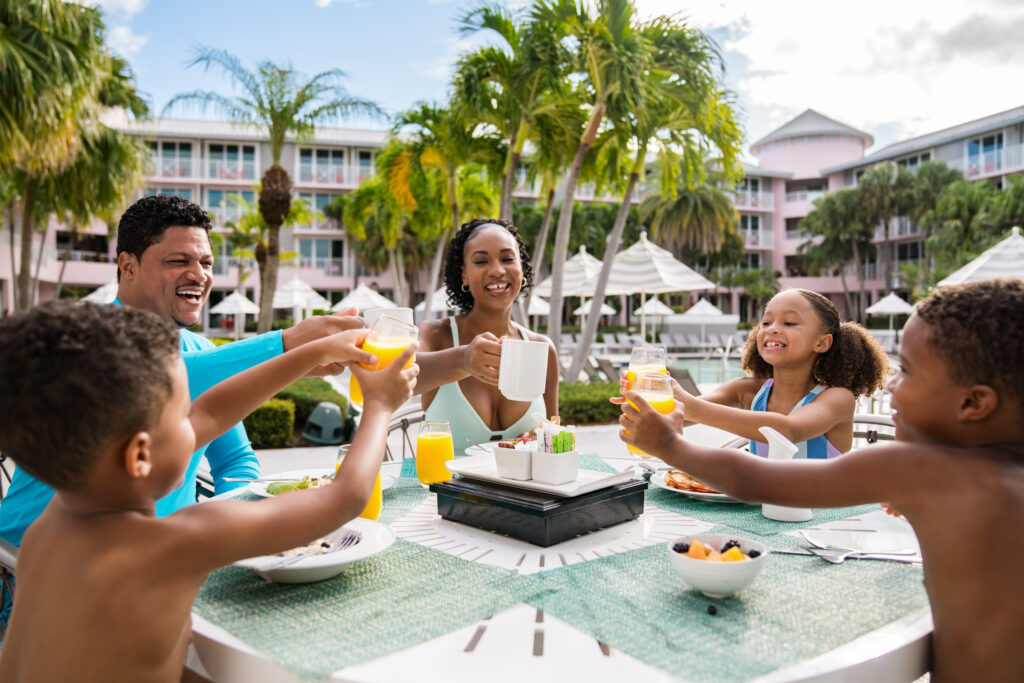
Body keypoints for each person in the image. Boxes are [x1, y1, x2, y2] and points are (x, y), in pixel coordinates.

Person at [618, 279, 1024, 681]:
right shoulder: (974, 482)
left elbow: (753, 477)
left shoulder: (922, 470)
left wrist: (670, 446)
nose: (893, 383)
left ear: (973, 402)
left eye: (908, 371)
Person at [0, 301, 417, 683]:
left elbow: (212, 411)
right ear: (139, 455)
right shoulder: (168, 545)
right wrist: (379, 407)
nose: (195, 419)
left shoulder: (48, 529)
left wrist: (312, 353)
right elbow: (344, 497)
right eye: (184, 414)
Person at [0, 194, 362, 549]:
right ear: (128, 266)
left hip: (164, 558)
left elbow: (235, 459)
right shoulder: (85, 341)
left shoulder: (201, 351)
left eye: (206, 263)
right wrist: (287, 347)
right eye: (179, 260)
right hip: (24, 571)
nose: (199, 275)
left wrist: (227, 523)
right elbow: (146, 379)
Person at [617, 289, 889, 458]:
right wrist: (653, 398)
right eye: (766, 321)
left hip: (823, 522)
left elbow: (788, 431)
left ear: (822, 343)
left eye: (789, 322)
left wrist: (687, 403)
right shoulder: (747, 390)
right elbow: (679, 415)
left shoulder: (837, 399)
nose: (771, 328)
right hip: (761, 514)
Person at [415, 218, 558, 456]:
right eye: (481, 261)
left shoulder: (542, 349)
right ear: (464, 275)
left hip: (522, 491)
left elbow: (557, 436)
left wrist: (543, 437)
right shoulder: (434, 335)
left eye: (507, 258)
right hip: (442, 490)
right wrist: (462, 360)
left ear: (521, 268)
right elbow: (396, 375)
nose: (497, 270)